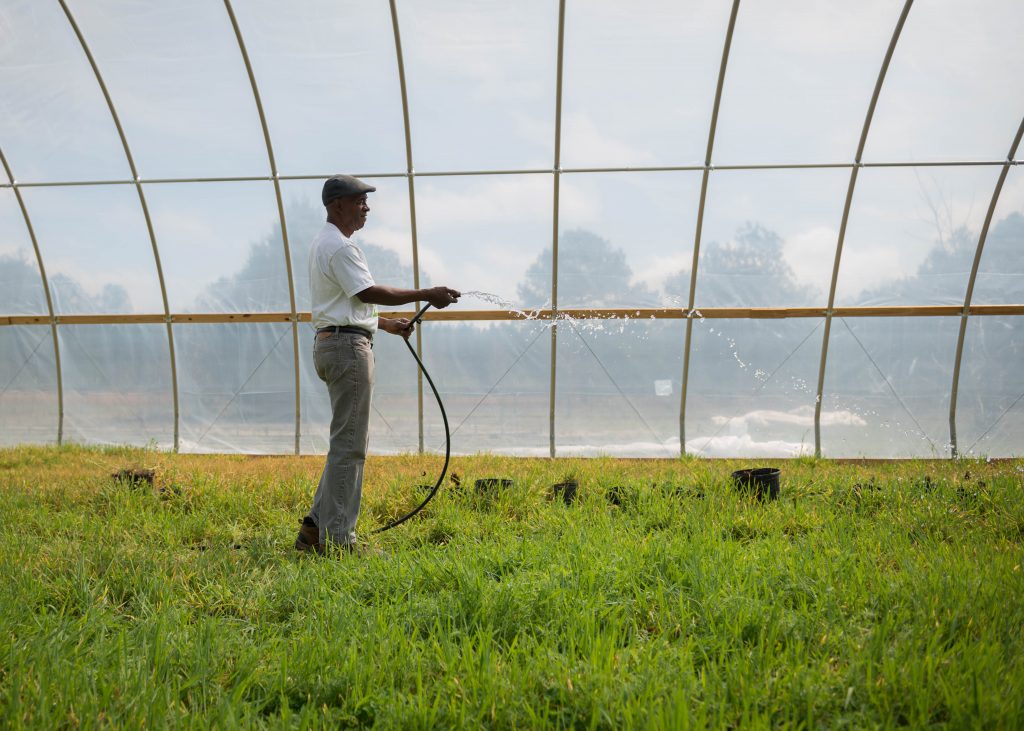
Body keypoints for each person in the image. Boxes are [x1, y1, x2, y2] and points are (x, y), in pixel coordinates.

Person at [296, 174, 460, 555]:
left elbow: (348, 304)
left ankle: (313, 530)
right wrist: (426, 293)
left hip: (332, 343)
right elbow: (368, 293)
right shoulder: (340, 247)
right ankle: (338, 542)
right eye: (360, 202)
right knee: (350, 446)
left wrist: (386, 325)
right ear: (338, 205)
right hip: (347, 349)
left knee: (345, 442)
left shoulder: (327, 244)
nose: (367, 208)